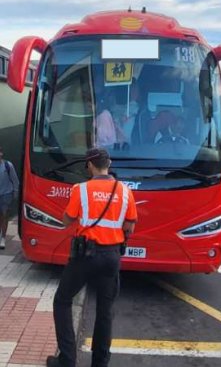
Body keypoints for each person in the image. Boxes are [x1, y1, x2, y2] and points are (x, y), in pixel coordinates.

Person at [48, 148, 137, 367]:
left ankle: (67, 360)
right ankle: (100, 363)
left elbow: (67, 220)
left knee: (62, 300)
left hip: (85, 255)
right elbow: (130, 226)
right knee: (105, 311)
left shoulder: (81, 190)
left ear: (89, 165)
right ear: (109, 164)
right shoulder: (125, 191)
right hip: (112, 256)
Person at [0, 147, 19, 249]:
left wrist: (15, 193)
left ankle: (3, 238)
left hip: (6, 194)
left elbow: (15, 180)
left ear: (1, 153)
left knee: (5, 216)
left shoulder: (8, 165)